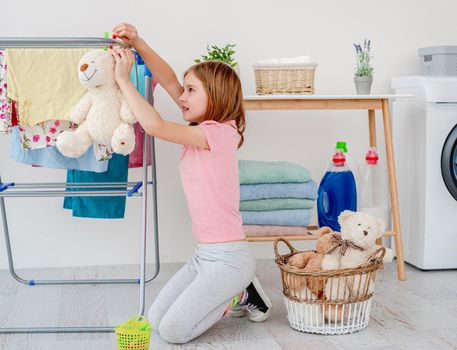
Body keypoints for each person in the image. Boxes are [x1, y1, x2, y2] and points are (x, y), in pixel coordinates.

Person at [110, 23, 272, 344]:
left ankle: (238, 294)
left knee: (173, 332)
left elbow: (154, 125)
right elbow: (168, 79)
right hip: (204, 257)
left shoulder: (219, 133)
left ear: (217, 96)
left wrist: (122, 80)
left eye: (191, 91)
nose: (181, 97)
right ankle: (237, 291)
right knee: (156, 321)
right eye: (184, 90)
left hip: (229, 261)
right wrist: (140, 43)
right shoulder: (200, 128)